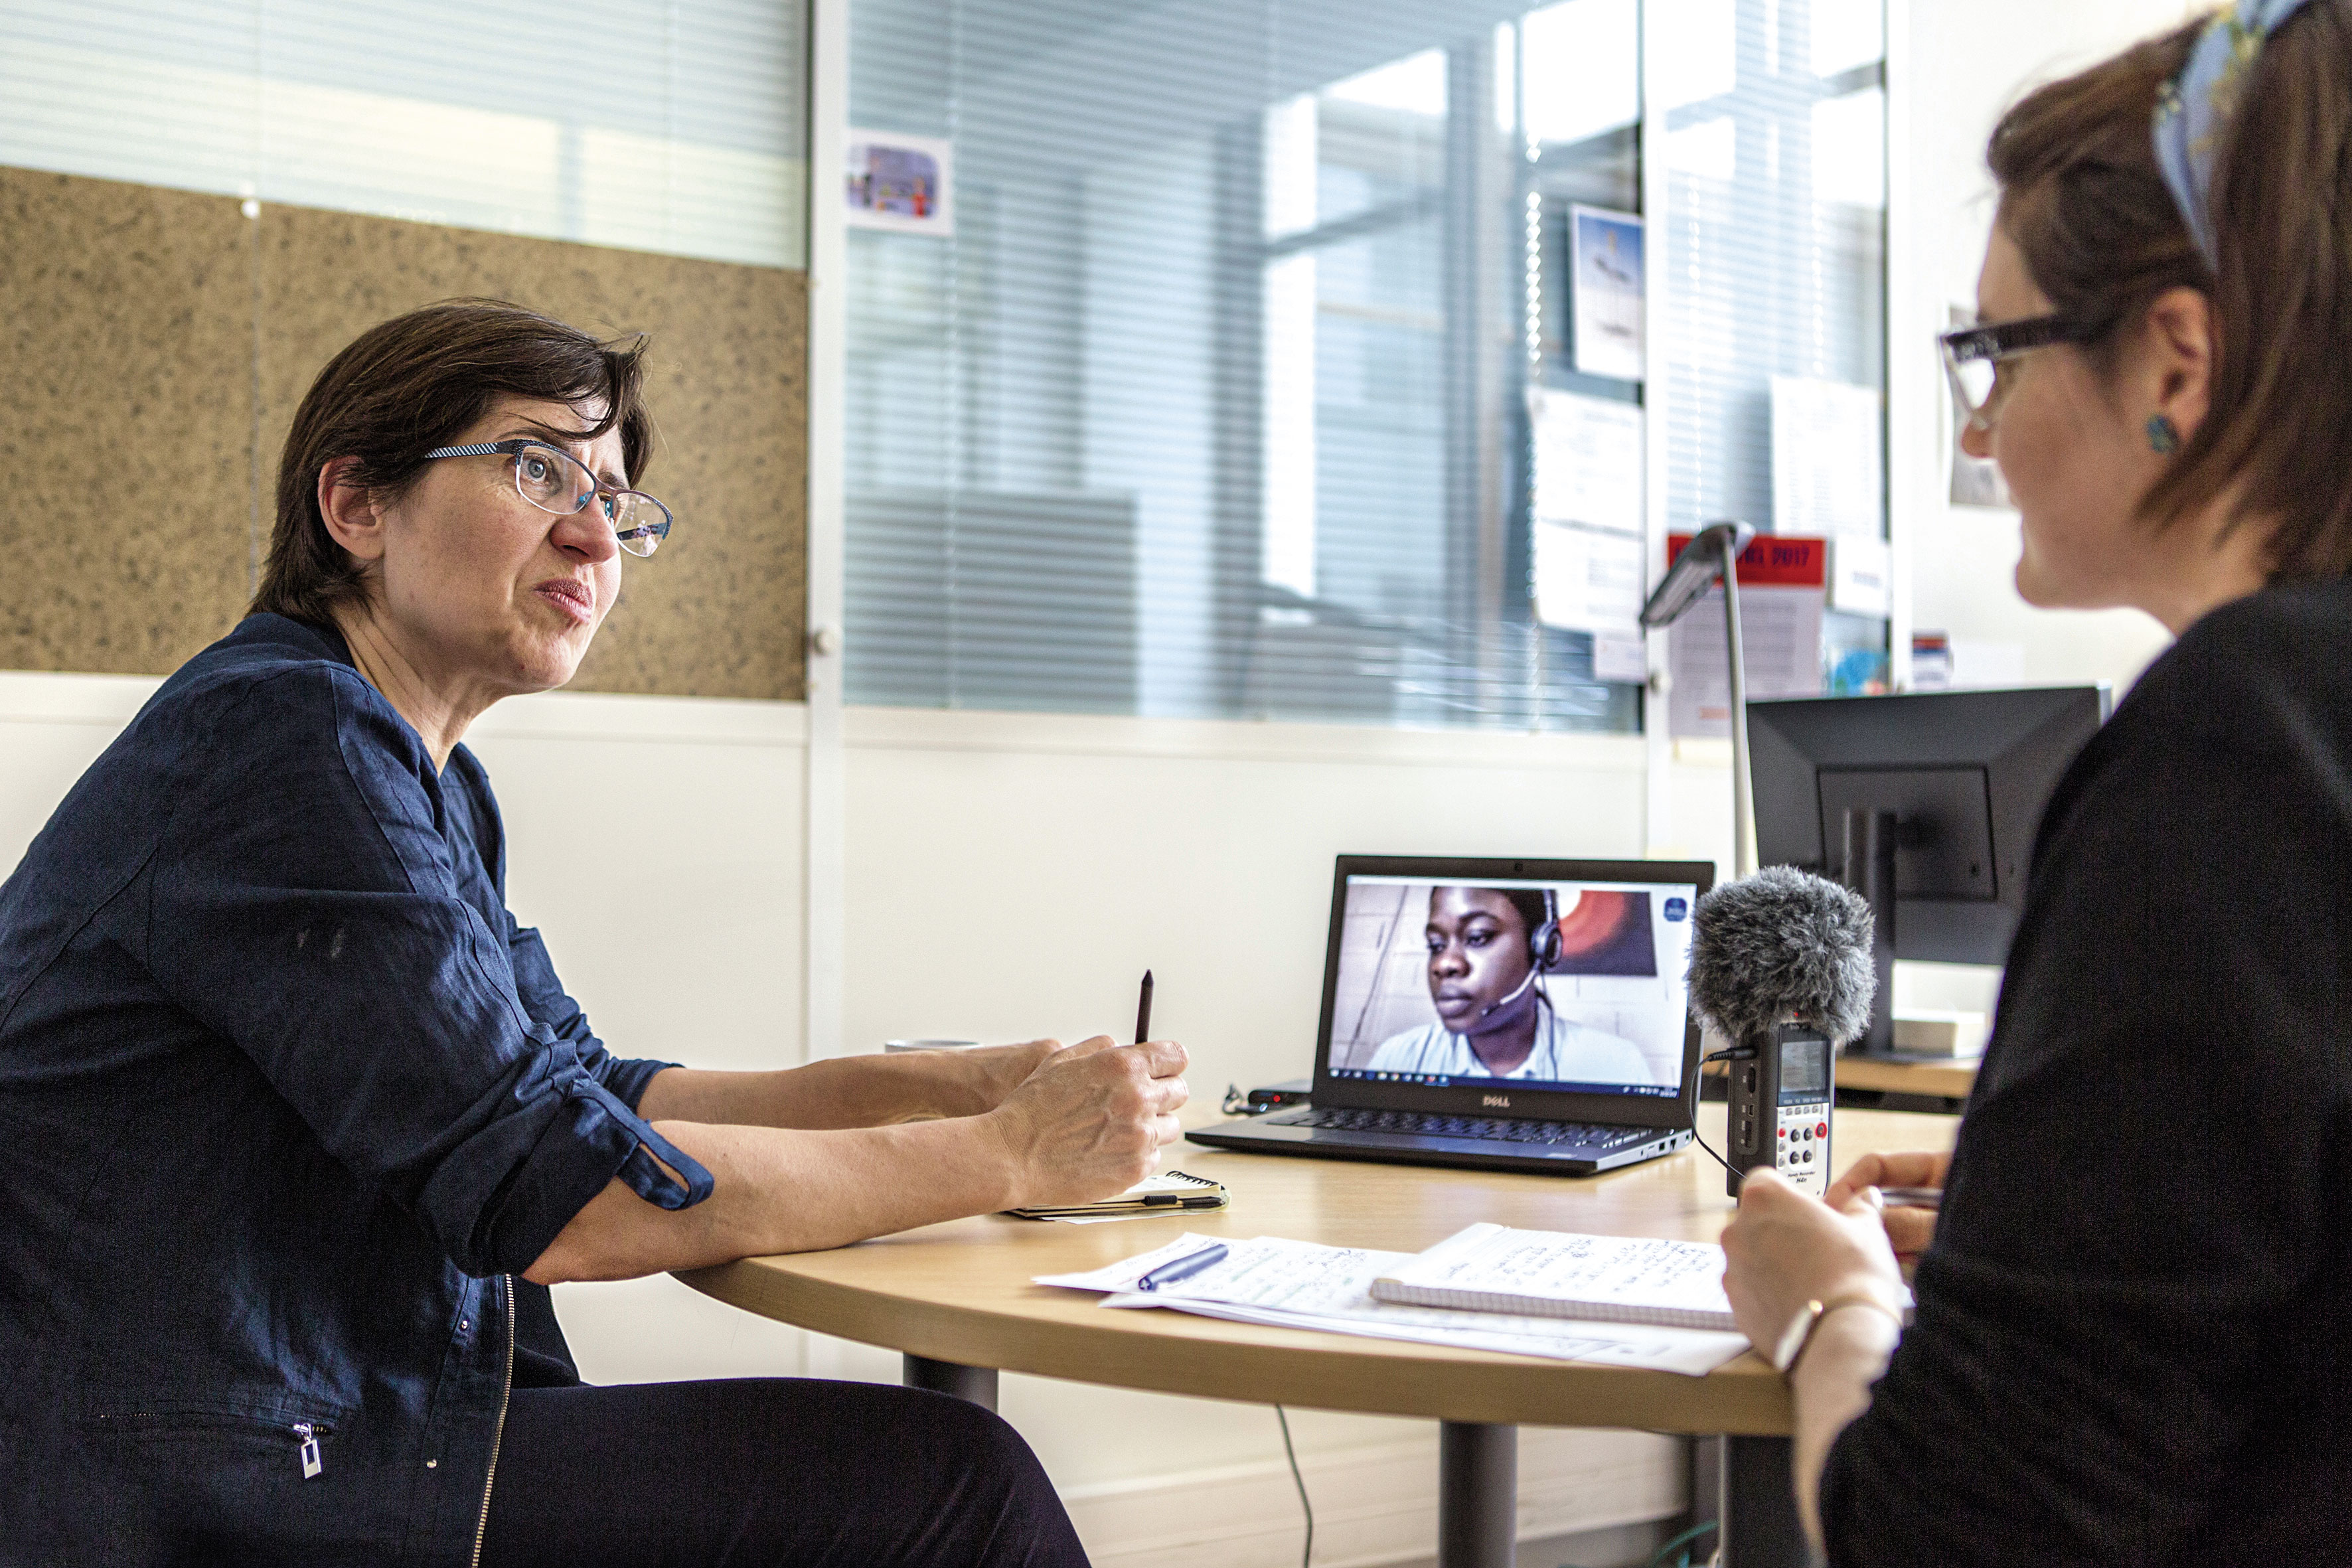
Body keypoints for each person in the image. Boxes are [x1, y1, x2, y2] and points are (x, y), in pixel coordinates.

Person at [0, 298, 1190, 1567]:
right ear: (356, 506)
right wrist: (1005, 1153)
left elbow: (590, 1092)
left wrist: (962, 1081)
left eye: (616, 499)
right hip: (202, 1477)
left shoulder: (424, 777)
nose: (592, 530)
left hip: (329, 1411)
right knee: (960, 1484)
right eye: (535, 466)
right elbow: (568, 1199)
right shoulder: (289, 745)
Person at [1718, 3, 2352, 1562]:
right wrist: (2048, 1216)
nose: (1983, 428)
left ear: (2179, 359)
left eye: (1992, 352)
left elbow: (1952, 1533)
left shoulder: (2240, 742)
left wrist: (1829, 1307)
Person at [1364, 886, 1652, 1083]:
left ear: (1541, 949)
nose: (1444, 964)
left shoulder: (1617, 1066)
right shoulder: (1397, 1059)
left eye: (1477, 937)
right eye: (1436, 945)